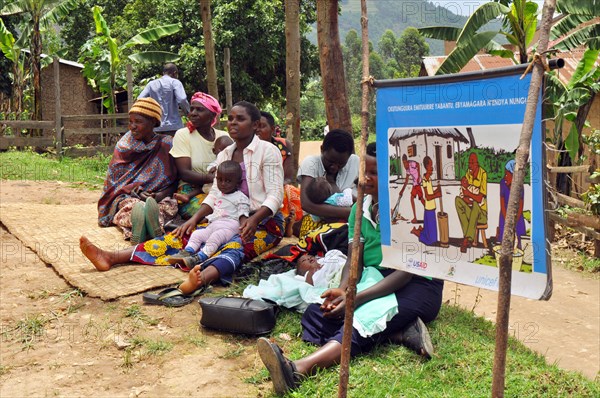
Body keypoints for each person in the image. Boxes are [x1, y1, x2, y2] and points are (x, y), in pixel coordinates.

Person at [257, 143, 444, 396]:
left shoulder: (408, 211)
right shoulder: (360, 209)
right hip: (379, 277)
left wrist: (355, 299)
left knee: (360, 320)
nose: (364, 178)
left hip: (418, 284)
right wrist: (343, 289)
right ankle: (398, 332)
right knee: (318, 314)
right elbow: (354, 258)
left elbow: (405, 272)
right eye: (363, 170)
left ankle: (298, 370)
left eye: (374, 173)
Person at [80, 101, 284, 300]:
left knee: (234, 246)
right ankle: (111, 257)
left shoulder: (268, 151)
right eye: (230, 119)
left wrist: (254, 219)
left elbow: (275, 196)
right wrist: (193, 219)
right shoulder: (225, 155)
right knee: (183, 237)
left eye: (240, 119)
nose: (233, 123)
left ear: (256, 125)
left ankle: (200, 278)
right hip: (224, 219)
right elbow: (214, 194)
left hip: (264, 223)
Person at [97, 97, 178, 244]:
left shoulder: (166, 144)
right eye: (131, 122)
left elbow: (175, 179)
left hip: (159, 197)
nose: (132, 126)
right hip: (128, 196)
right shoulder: (124, 146)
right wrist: (136, 191)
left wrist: (159, 195)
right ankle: (141, 226)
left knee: (166, 207)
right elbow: (115, 185)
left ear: (153, 122)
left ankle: (150, 226)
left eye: (138, 122)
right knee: (131, 207)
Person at [167, 161, 250, 268]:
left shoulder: (240, 197)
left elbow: (243, 215)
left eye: (228, 181)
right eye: (220, 180)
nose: (223, 183)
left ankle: (200, 257)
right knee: (197, 234)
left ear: (238, 183)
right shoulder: (218, 195)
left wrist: (244, 230)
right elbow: (215, 211)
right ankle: (187, 252)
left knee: (215, 237)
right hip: (214, 225)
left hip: (229, 227)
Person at [170, 92, 229, 219]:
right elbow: (184, 173)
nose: (193, 113)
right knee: (214, 212)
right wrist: (216, 178)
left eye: (200, 109)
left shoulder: (224, 137)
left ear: (212, 115)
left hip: (222, 188)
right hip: (190, 189)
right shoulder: (183, 135)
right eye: (192, 109)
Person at [297, 129, 359, 237]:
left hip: (350, 225)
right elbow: (307, 204)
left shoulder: (356, 162)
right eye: (330, 161)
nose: (334, 167)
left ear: (349, 156)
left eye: (341, 164)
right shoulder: (311, 163)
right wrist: (351, 213)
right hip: (317, 225)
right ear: (322, 149)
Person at [257, 111, 302, 237]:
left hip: (277, 186)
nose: (257, 130)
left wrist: (273, 188)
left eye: (262, 126)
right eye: (255, 126)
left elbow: (288, 177)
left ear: (272, 129)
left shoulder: (283, 145)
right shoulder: (247, 147)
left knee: (290, 191)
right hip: (254, 189)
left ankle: (289, 223)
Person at [173, 135, 234, 205]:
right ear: (214, 151)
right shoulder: (216, 162)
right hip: (211, 185)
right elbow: (210, 172)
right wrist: (212, 171)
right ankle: (187, 196)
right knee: (200, 188)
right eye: (221, 150)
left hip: (221, 188)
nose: (224, 152)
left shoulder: (232, 161)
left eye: (228, 150)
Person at [138, 63, 190, 136]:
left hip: (156, 127)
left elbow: (140, 100)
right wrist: (188, 113)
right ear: (175, 73)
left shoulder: (151, 84)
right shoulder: (175, 82)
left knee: (157, 147)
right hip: (173, 127)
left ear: (163, 73)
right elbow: (182, 100)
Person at [455, 152, 488, 253]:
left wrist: (468, 194)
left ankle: (467, 239)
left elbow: (479, 199)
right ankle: (467, 237)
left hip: (481, 214)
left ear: (477, 163)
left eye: (472, 163)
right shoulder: (468, 174)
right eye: (469, 162)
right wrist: (467, 196)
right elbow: (463, 193)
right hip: (471, 210)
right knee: (457, 200)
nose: (470, 165)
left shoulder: (483, 174)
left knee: (475, 204)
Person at [411, 156, 442, 245]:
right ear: (426, 167)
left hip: (432, 207)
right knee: (430, 240)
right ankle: (416, 232)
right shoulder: (424, 180)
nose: (432, 168)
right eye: (430, 165)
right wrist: (437, 195)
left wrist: (437, 190)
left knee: (433, 234)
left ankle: (421, 230)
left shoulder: (429, 179)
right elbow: (428, 197)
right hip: (429, 208)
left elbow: (431, 192)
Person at [497, 159, 526, 248]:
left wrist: (514, 220)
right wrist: (507, 219)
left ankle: (520, 245)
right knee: (504, 233)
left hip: (517, 213)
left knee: (520, 230)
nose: (505, 177)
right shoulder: (503, 183)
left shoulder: (519, 186)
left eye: (507, 174)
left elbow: (521, 205)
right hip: (505, 211)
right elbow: (502, 201)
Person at [397, 154, 425, 224]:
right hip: (415, 184)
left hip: (417, 183)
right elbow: (406, 181)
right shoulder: (407, 170)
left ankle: (428, 214)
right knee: (414, 198)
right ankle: (415, 217)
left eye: (405, 163)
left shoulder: (411, 163)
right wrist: (402, 191)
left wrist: (418, 177)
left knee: (420, 199)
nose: (404, 165)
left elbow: (418, 164)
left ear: (407, 161)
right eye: (403, 163)